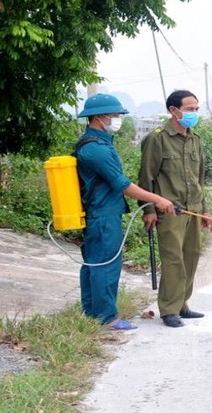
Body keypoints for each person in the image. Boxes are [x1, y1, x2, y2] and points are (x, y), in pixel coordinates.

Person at [75, 93, 175, 331]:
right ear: (100, 116)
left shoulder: (98, 143)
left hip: (104, 212)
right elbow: (123, 185)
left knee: (95, 264)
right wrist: (158, 199)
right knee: (105, 265)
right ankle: (106, 318)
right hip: (102, 215)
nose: (117, 119)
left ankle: (92, 314)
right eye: (115, 115)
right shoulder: (95, 149)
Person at [138, 90, 212, 328]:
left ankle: (182, 305)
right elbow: (146, 177)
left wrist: (205, 210)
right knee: (173, 259)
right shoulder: (157, 139)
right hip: (169, 211)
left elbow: (199, 178)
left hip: (193, 209)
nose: (194, 114)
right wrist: (149, 209)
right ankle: (169, 309)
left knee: (191, 256)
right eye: (190, 109)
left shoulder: (196, 140)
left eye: (196, 109)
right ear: (174, 110)